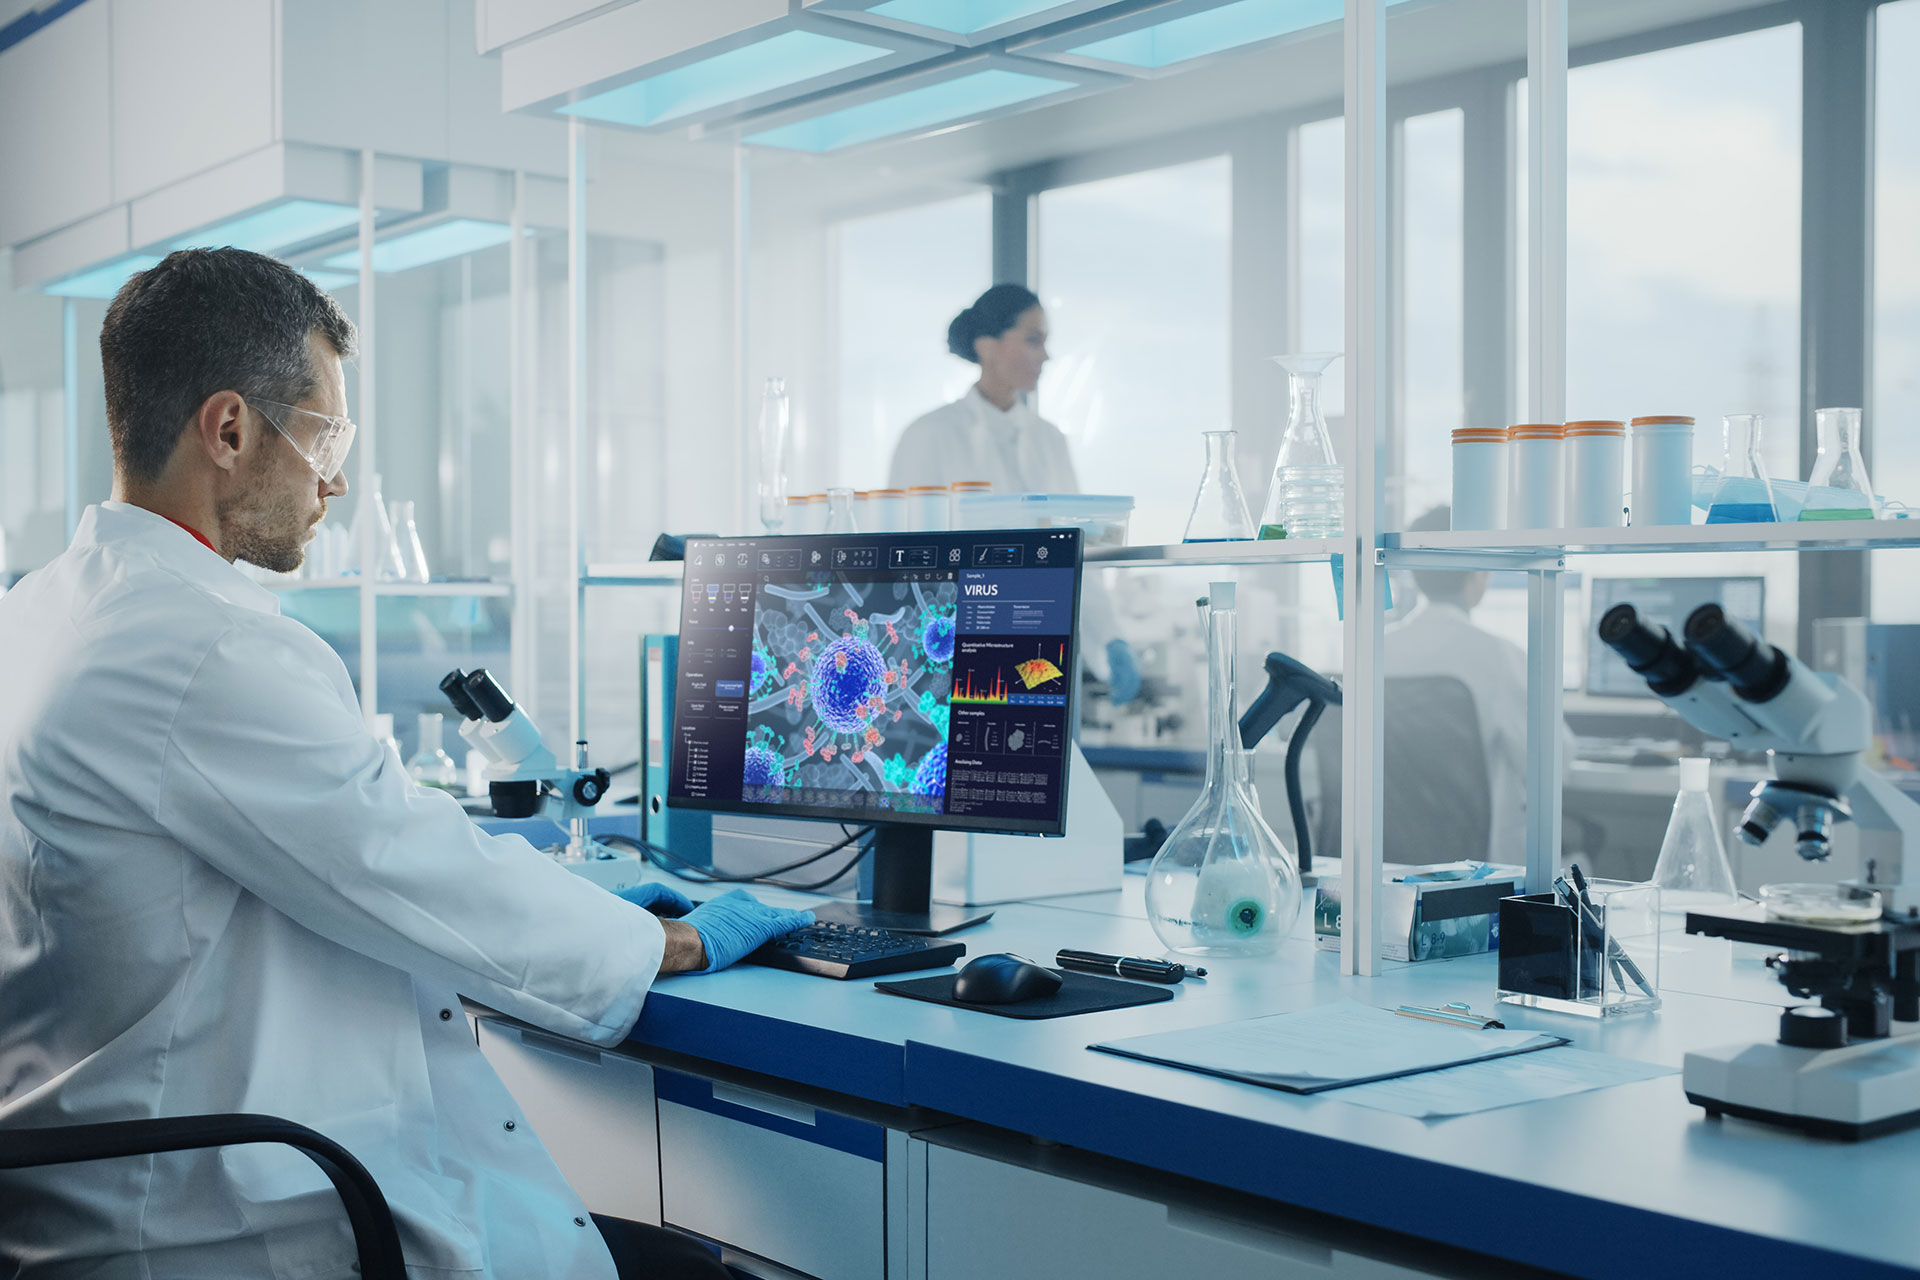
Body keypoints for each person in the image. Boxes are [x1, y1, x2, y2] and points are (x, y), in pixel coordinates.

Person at [0, 249, 813, 1279]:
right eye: (324, 433)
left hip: (91, 1193)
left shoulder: (40, 610)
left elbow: (344, 847)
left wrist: (577, 899)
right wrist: (671, 944)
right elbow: (410, 868)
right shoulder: (205, 644)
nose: (333, 477)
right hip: (209, 1232)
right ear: (230, 428)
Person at [889, 284, 1139, 703]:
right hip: (956, 655)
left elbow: (1078, 547)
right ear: (988, 345)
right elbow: (902, 562)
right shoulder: (929, 436)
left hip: (1045, 649)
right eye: (1033, 339)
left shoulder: (1050, 441)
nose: (1046, 356)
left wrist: (1111, 636)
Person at [1383, 505, 1571, 863]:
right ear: (1477, 574)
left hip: (1384, 865)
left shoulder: (1372, 649)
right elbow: (1552, 761)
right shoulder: (1497, 655)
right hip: (1479, 869)